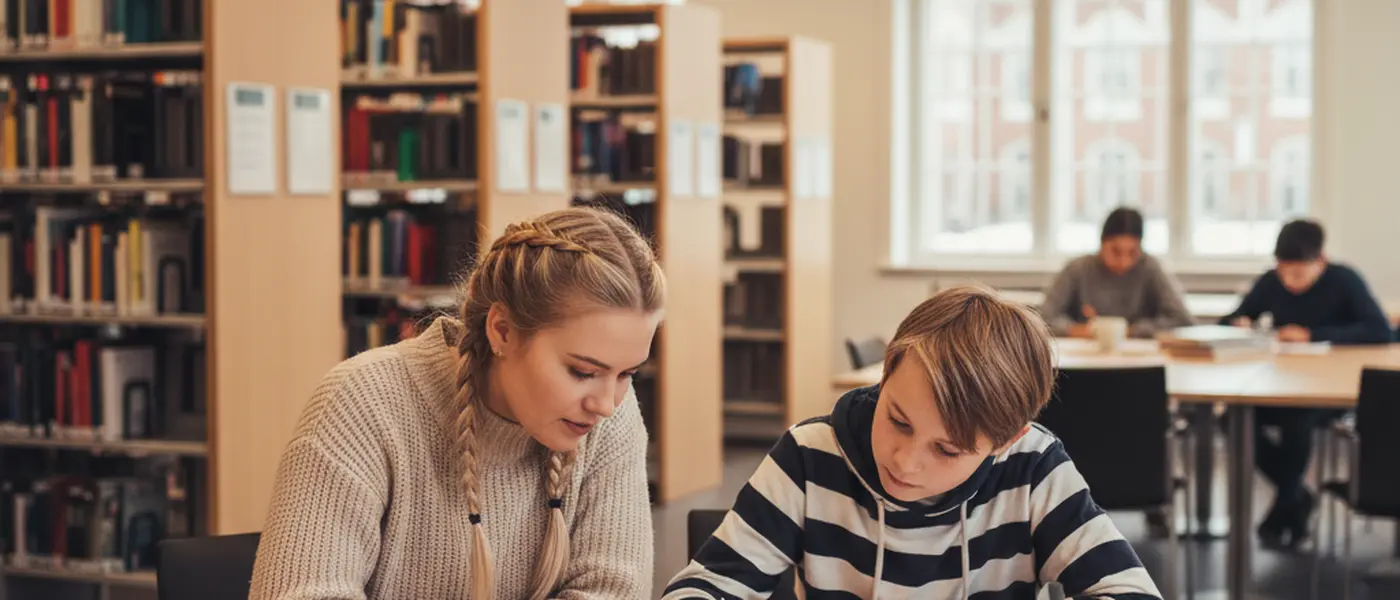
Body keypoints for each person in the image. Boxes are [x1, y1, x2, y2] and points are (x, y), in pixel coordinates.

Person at [248, 207, 663, 600]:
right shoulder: (362, 403)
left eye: (627, 374)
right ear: (502, 330)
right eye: (582, 371)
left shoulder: (611, 419)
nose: (606, 404)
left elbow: (613, 591)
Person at [665, 286, 1161, 599]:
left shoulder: (1034, 468)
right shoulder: (809, 456)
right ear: (885, 373)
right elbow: (706, 585)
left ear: (1005, 442)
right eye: (898, 421)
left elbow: (1128, 589)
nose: (904, 461)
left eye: (946, 450)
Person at [1221, 218, 1391, 550]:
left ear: (1320, 261)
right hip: (1280, 385)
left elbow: (1379, 330)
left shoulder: (1344, 280)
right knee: (1233, 418)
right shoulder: (1271, 282)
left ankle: (1286, 506)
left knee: (1297, 424)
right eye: (1284, 272)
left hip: (1329, 391)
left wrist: (1313, 335)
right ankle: (1296, 496)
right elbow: (1232, 318)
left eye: (1299, 273)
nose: (1290, 281)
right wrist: (1238, 324)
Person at [1041, 207, 1193, 339]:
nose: (1123, 262)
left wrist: (1132, 331)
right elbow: (1044, 318)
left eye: (1132, 252)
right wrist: (1079, 331)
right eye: (1115, 251)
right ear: (1102, 242)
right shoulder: (1077, 270)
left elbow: (1182, 319)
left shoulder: (1150, 269)